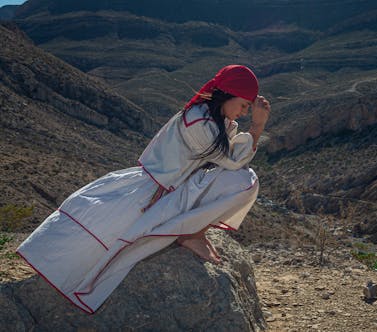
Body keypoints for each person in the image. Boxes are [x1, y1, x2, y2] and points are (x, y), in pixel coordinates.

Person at [16, 64, 271, 314]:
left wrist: (250, 127)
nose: (245, 112)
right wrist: (257, 127)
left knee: (242, 180)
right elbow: (231, 160)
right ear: (227, 94)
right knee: (244, 181)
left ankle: (193, 232)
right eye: (244, 105)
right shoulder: (197, 121)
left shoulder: (211, 118)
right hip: (162, 191)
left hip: (175, 188)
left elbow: (227, 158)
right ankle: (190, 234)